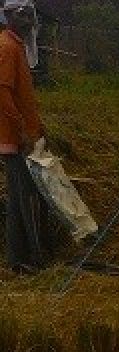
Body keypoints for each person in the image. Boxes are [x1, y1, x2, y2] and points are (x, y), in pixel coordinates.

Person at [0, 2, 44, 273]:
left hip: (21, 134)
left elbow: (22, 96)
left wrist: (38, 124)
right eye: (22, 16)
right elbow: (3, 94)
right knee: (21, 198)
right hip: (13, 139)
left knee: (19, 198)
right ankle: (23, 259)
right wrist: (22, 131)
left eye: (31, 16)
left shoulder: (16, 46)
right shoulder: (6, 48)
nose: (28, 21)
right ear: (7, 16)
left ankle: (20, 258)